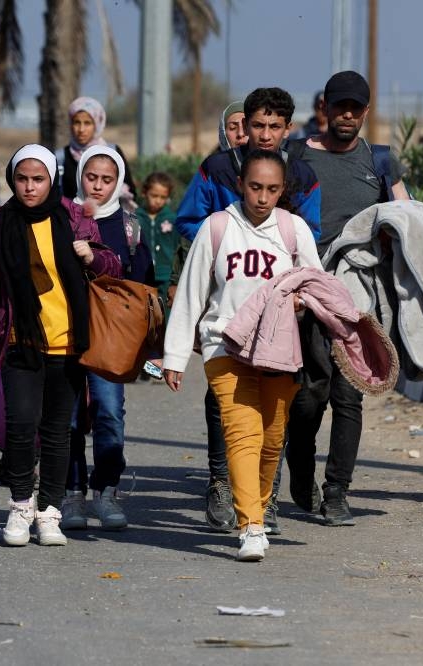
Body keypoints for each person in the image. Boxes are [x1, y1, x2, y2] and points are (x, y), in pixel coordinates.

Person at [175, 86, 322, 532]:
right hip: (227, 312)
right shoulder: (218, 169)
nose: (264, 133)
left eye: (274, 126)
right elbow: (188, 220)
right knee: (228, 409)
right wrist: (229, 232)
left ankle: (265, 496)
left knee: (274, 422)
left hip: (281, 326)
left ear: (287, 129)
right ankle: (223, 485)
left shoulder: (302, 176)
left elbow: (311, 235)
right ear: (243, 124)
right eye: (257, 124)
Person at [0, 145, 120, 546]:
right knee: (20, 428)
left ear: (51, 179)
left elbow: (112, 270)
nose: (29, 187)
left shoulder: (75, 218)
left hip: (68, 346)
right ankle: (19, 509)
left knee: (58, 433)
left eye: (38, 179)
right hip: (18, 342)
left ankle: (49, 514)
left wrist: (92, 258)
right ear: (12, 178)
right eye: (21, 179)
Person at [285, 70, 410, 527]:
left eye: (356, 108)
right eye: (340, 107)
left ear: (366, 112)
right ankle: (300, 468)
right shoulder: (295, 156)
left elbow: (407, 221)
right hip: (305, 293)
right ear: (325, 108)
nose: (348, 115)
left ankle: (336, 491)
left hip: (358, 296)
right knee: (308, 396)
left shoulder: (380, 162)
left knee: (348, 397)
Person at [60, 145, 154, 531]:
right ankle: (71, 495)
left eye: (107, 179)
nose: (97, 186)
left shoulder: (129, 226)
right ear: (79, 175)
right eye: (91, 177)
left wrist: (150, 348)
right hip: (65, 333)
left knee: (109, 413)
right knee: (66, 418)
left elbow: (142, 284)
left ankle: (107, 490)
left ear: (119, 182)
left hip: (110, 338)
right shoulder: (62, 217)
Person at [56, 97, 136, 205]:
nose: (81, 129)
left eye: (87, 123)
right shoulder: (61, 157)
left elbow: (131, 192)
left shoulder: (113, 153)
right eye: (77, 122)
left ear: (97, 124)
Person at [135, 171, 178, 310]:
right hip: (142, 278)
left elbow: (177, 249)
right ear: (144, 193)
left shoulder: (172, 219)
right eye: (154, 195)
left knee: (165, 315)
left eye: (163, 197)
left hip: (165, 277)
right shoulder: (134, 218)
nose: (158, 200)